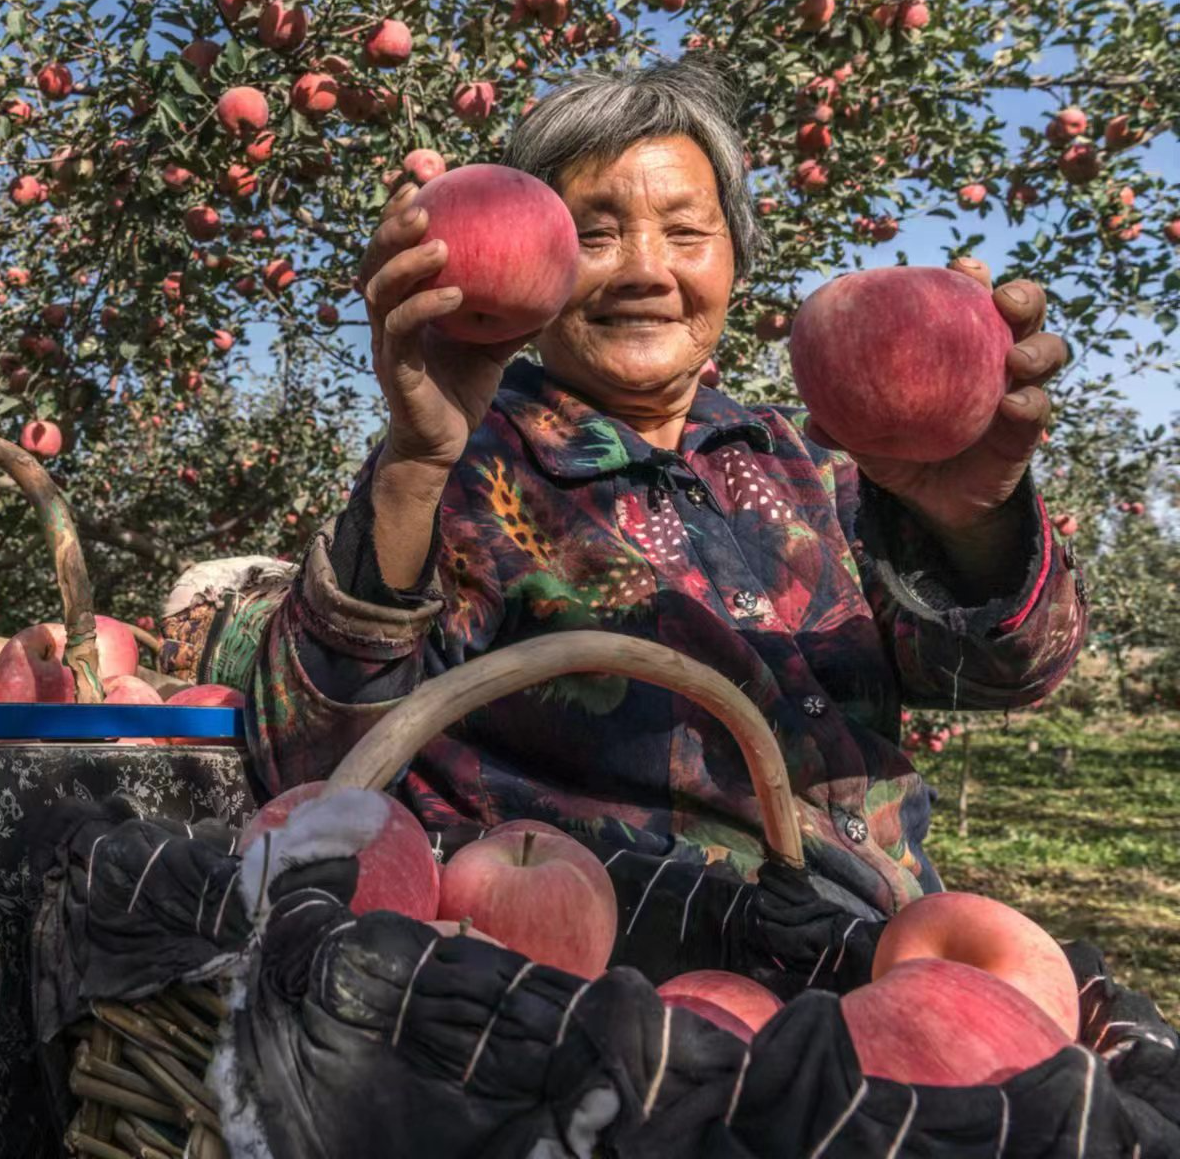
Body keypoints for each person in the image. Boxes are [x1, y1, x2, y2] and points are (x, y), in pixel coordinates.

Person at [241, 55, 1085, 917]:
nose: (646, 270)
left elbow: (1010, 674)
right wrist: (414, 469)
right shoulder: (465, 476)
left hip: (896, 945)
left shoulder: (812, 462)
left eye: (686, 233)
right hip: (628, 985)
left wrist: (972, 523)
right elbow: (306, 771)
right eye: (595, 235)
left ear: (735, 260)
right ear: (538, 260)